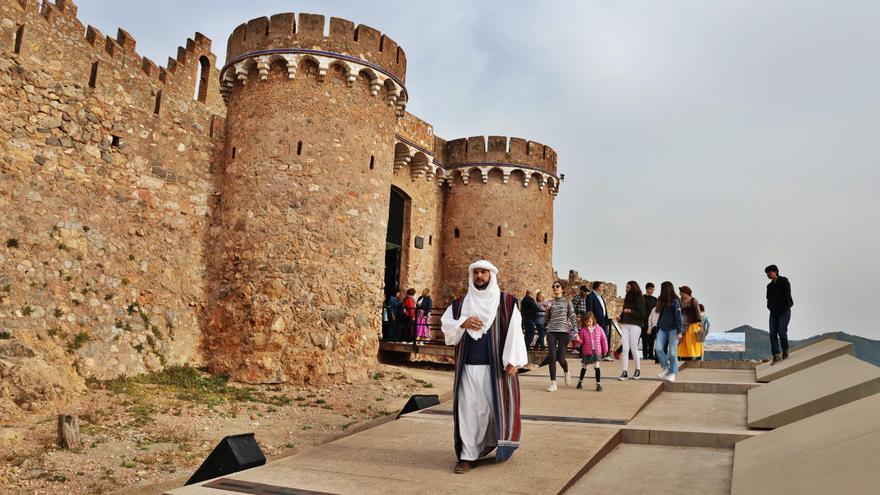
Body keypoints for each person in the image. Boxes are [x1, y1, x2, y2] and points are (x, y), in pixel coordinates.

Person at [440, 260, 527, 474]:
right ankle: (468, 456)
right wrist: (463, 323)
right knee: (468, 412)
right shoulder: (460, 305)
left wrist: (513, 360)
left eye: (483, 272)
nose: (479, 276)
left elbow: (515, 331)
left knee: (494, 410)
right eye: (476, 272)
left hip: (495, 370)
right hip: (468, 368)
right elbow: (447, 329)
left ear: (491, 276)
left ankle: (491, 445)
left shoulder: (506, 303)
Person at [539, 281, 578, 392]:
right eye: (553, 286)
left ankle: (566, 371)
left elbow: (572, 317)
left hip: (564, 332)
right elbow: (546, 320)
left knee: (561, 358)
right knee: (552, 356)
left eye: (557, 286)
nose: (555, 288)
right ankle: (553, 383)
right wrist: (547, 310)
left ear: (562, 289)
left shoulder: (567, 302)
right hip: (551, 331)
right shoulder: (550, 302)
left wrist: (575, 331)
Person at [654, 281, 683, 382]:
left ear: (666, 289)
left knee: (672, 352)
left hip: (673, 329)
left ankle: (672, 373)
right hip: (662, 329)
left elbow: (679, 316)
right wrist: (658, 329)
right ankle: (666, 368)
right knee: (658, 348)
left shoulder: (675, 301)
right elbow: (660, 315)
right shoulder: (662, 301)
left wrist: (680, 331)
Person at [765, 264, 793, 364]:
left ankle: (785, 350)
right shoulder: (769, 286)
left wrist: (782, 307)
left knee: (781, 331)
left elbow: (787, 296)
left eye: (770, 272)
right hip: (773, 313)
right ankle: (776, 355)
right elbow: (768, 299)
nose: (768, 274)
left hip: (784, 311)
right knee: (772, 333)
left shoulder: (784, 282)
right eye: (767, 273)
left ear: (775, 271)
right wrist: (770, 307)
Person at [618, 281, 645, 380]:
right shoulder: (626, 298)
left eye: (628, 287)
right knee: (625, 349)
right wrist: (620, 317)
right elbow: (624, 310)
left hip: (635, 325)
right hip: (625, 324)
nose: (626, 289)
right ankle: (624, 372)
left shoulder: (639, 297)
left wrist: (630, 311)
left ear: (633, 288)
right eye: (626, 287)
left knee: (633, 348)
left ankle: (637, 370)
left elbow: (642, 313)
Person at [576, 312, 608, 391]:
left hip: (597, 352)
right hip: (587, 352)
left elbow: (603, 340)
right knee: (585, 366)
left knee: (596, 366)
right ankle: (580, 382)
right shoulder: (583, 330)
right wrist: (578, 339)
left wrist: (605, 350)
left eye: (590, 321)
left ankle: (598, 384)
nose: (588, 323)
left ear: (593, 320)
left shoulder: (599, 329)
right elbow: (581, 342)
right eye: (586, 322)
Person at [676, 286, 703, 361]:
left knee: (692, 342)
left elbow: (697, 312)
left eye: (681, 293)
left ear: (685, 293)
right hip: (682, 324)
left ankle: (692, 356)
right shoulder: (679, 301)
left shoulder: (694, 301)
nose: (680, 294)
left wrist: (699, 321)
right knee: (682, 342)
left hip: (692, 324)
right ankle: (683, 356)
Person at [588, 281, 612, 360]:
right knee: (595, 339)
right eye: (601, 287)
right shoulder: (590, 296)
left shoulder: (600, 296)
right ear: (597, 287)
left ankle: (603, 354)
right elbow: (590, 310)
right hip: (596, 322)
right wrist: (592, 322)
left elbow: (603, 309)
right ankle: (595, 355)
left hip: (604, 321)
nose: (602, 288)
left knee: (604, 337)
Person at [642, 282, 658, 362]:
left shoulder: (655, 299)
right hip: (644, 322)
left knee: (652, 339)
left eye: (653, 289)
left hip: (653, 322)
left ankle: (651, 354)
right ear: (647, 289)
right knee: (645, 339)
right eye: (650, 289)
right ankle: (645, 355)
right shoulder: (642, 298)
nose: (652, 290)